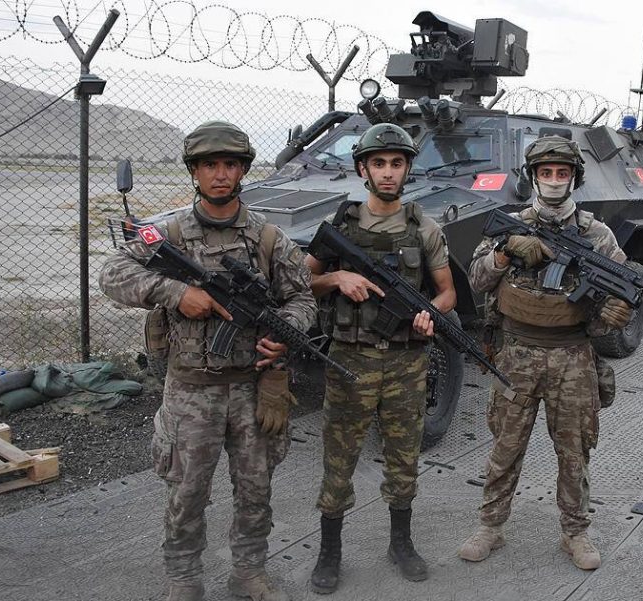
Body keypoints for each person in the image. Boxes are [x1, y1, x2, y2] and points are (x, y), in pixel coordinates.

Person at [99, 121, 316, 601]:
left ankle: (249, 574)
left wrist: (286, 332)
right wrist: (177, 293)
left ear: (242, 171)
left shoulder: (269, 239)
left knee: (255, 491)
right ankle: (183, 579)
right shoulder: (169, 234)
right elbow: (113, 274)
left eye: (230, 165)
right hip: (191, 389)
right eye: (210, 165)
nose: (220, 174)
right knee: (186, 492)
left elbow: (302, 299)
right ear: (194, 172)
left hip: (253, 388)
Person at [457, 136, 632, 570]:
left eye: (562, 173)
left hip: (572, 356)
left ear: (574, 178)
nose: (554, 180)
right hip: (516, 353)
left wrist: (615, 311)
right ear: (532, 177)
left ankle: (575, 532)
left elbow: (621, 289)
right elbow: (476, 280)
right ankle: (490, 526)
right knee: (505, 446)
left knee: (574, 451)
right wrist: (504, 253)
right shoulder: (511, 225)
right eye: (546, 173)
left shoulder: (597, 234)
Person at [304, 123, 456, 593]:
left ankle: (401, 543)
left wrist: (431, 315)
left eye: (396, 164)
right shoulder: (340, 227)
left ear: (407, 169)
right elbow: (302, 282)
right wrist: (337, 279)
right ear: (363, 170)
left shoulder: (425, 229)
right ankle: (330, 550)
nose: (387, 172)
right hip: (351, 361)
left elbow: (447, 293)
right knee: (339, 457)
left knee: (403, 455)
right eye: (378, 163)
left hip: (407, 363)